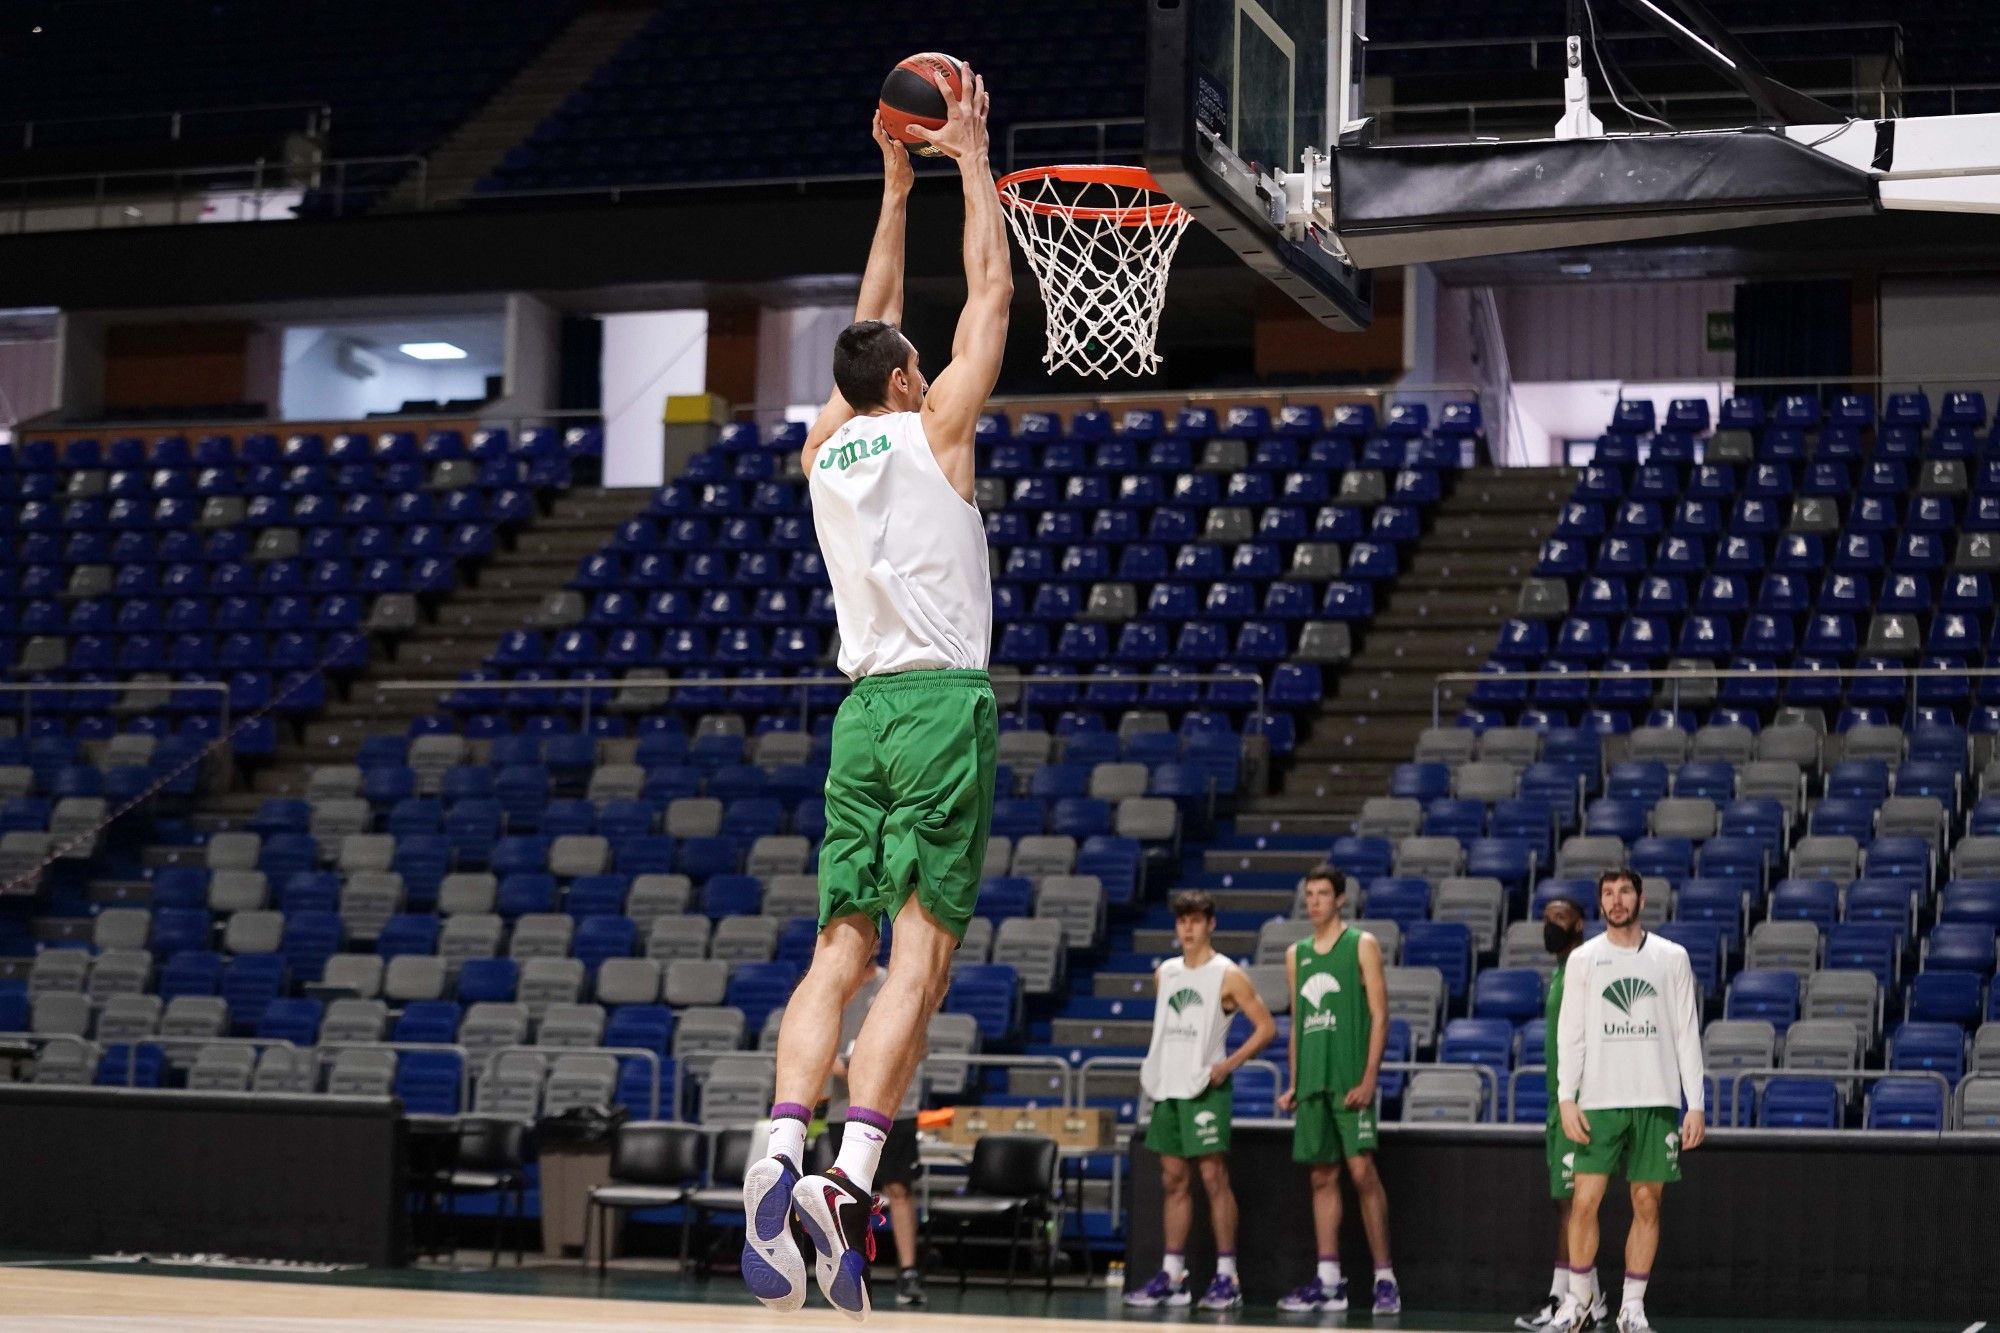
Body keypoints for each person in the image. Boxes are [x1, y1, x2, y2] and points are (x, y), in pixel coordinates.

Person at [739, 64, 1010, 1324]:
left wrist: (890, 190)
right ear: (906, 377)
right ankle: (848, 1181)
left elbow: (870, 316)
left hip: (856, 714)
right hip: (942, 705)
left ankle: (778, 1150)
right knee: (921, 954)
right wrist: (965, 158)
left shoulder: (818, 450)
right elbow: (990, 296)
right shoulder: (937, 423)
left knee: (834, 950)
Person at [1548, 870, 1707, 1333]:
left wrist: (1693, 1102)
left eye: (1625, 892)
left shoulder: (1671, 957)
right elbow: (1570, 1034)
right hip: (1598, 1100)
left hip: (1655, 1100)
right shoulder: (1583, 959)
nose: (1617, 901)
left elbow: (1686, 1031)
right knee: (1584, 1201)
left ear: (1640, 897)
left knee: (1647, 1203)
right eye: (1608, 894)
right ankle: (1578, 1303)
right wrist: (1566, 1097)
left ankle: (1632, 1307)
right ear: (1600, 903)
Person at [1125, 890, 1278, 1312]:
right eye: (1181, 921)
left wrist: (1228, 1063)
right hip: (1168, 1087)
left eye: (1195, 920)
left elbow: (1266, 1028)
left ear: (1211, 924)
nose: (1187, 928)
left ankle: (1228, 1275)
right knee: (1172, 1179)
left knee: (1213, 1177)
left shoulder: (1227, 974)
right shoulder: (1166, 973)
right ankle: (1173, 1275)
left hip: (1206, 1087)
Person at [1275, 865, 1401, 1316]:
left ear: (1341, 899)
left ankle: (1385, 1278)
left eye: (1323, 894)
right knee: (1321, 1177)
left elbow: (1381, 1016)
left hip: (1350, 1079)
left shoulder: (1361, 945)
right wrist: (1293, 1080)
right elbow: (1295, 1025)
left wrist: (1370, 1077)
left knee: (1363, 1172)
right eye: (1309, 894)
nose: (1314, 902)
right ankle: (1329, 1281)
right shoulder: (1296, 954)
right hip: (1312, 1081)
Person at [1515, 894, 1610, 1331]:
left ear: (1579, 924)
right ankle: (1568, 1296)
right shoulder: (1560, 972)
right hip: (1559, 1105)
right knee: (1564, 1204)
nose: (1551, 924)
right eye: (1546, 918)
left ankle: (1581, 1302)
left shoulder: (1587, 970)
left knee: (1574, 1204)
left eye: (1560, 917)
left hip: (1581, 1105)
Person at [825, 961, 927, 1307]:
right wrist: (847, 1066)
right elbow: (818, 1047)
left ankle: (909, 1272)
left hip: (896, 1106)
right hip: (845, 1106)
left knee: (898, 1188)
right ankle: (848, 1270)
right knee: (849, 1192)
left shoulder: (894, 984)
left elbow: (919, 1044)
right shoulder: (834, 989)